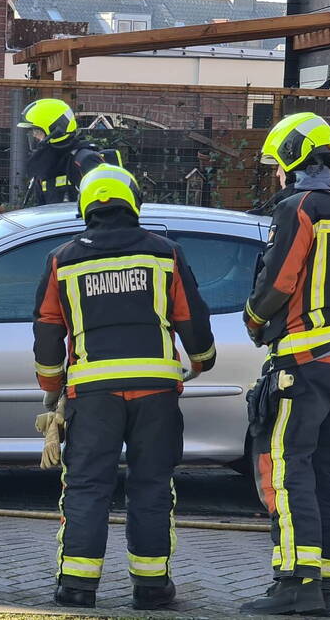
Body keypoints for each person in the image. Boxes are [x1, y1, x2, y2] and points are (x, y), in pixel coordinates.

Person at [32, 164, 216, 610]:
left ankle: (77, 586)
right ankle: (151, 588)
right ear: (132, 202)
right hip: (155, 393)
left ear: (86, 206)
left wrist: (52, 389)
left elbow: (47, 333)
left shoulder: (63, 259)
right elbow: (191, 316)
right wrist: (203, 360)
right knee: (151, 485)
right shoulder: (165, 253)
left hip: (91, 397)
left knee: (87, 487)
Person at [239, 113, 330, 617]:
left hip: (302, 359)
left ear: (294, 158)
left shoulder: (298, 210)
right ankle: (324, 587)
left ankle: (294, 583)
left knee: (286, 467)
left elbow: (277, 283)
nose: (276, 174)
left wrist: (254, 322)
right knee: (327, 472)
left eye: (277, 164)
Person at [16, 98, 114, 205]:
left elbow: (103, 205)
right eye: (32, 131)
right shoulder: (45, 164)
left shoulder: (84, 160)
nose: (34, 136)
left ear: (55, 131)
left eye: (37, 131)